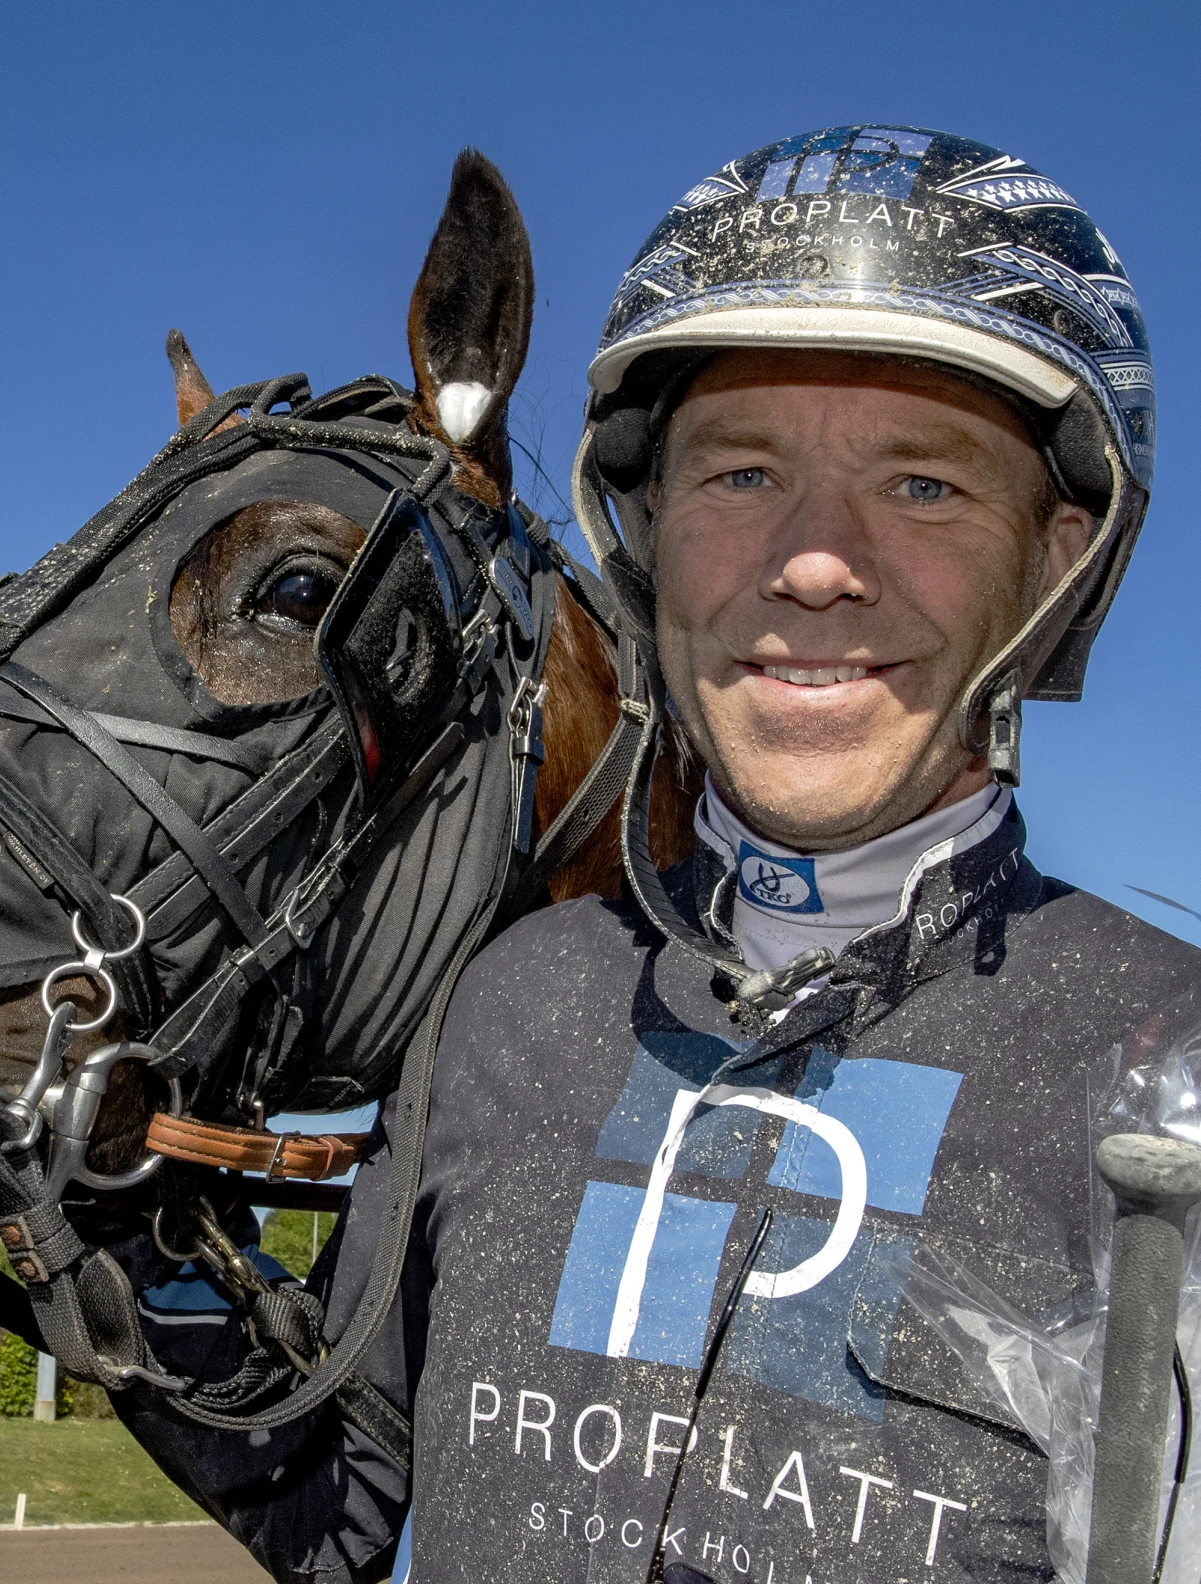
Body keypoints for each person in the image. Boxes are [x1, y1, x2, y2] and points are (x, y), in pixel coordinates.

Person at [111, 126, 1185, 1582]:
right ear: (648, 536)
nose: (814, 561)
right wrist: (116, 1234)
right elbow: (347, 1503)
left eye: (925, 486)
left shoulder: (1167, 1066)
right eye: (740, 474)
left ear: (1056, 564)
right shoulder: (502, 1005)